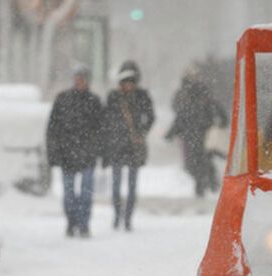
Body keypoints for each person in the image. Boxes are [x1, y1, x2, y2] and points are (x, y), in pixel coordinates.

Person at [46, 65, 103, 238]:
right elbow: (53, 128)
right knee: (69, 194)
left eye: (83, 78)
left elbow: (102, 129)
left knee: (85, 194)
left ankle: (84, 224)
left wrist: (99, 150)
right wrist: (53, 152)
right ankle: (71, 222)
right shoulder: (62, 99)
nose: (80, 82)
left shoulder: (94, 101)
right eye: (77, 78)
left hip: (87, 155)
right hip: (67, 154)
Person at [103, 60, 155, 231]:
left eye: (131, 81)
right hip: (117, 146)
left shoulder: (142, 96)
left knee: (132, 186)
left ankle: (128, 218)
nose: (128, 85)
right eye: (126, 81)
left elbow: (151, 116)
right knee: (117, 185)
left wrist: (142, 132)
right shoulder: (113, 97)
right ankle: (118, 214)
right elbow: (106, 120)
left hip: (133, 147)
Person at [164, 70, 228, 197]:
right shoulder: (207, 103)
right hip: (201, 137)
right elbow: (223, 117)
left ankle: (204, 184)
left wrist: (170, 135)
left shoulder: (192, 104)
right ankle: (209, 182)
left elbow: (179, 120)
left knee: (194, 163)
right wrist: (220, 125)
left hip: (194, 138)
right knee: (202, 162)